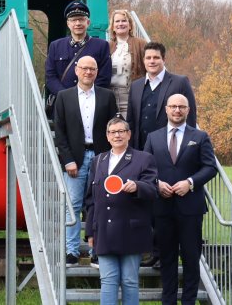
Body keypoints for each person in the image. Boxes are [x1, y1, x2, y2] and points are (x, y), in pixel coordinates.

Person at [144, 94, 217, 305]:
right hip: (162, 207)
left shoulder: (200, 137)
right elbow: (146, 169)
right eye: (173, 106)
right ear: (166, 109)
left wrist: (190, 183)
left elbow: (210, 167)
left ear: (188, 110)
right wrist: (157, 184)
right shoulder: (153, 137)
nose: (177, 110)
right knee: (166, 259)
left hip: (190, 208)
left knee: (191, 259)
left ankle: (188, 302)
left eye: (181, 107)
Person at [53, 55, 118, 265]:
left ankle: (96, 249)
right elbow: (60, 132)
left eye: (92, 69)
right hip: (75, 159)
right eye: (84, 68)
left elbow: (113, 129)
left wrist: (111, 159)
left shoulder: (108, 96)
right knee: (72, 204)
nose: (88, 72)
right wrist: (67, 159)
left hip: (101, 158)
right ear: (76, 70)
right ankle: (71, 251)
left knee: (100, 204)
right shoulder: (64, 96)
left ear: (97, 72)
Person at [84, 117, 157, 305]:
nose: (117, 135)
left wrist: (137, 186)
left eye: (121, 131)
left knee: (129, 281)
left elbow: (153, 189)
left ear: (129, 134)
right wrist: (90, 232)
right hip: (104, 231)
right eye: (113, 132)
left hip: (131, 230)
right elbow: (91, 200)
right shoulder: (98, 161)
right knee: (108, 280)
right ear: (107, 136)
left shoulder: (143, 158)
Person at [126, 41, 197, 151]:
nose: (152, 61)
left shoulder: (180, 82)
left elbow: (190, 118)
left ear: (163, 60)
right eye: (148, 58)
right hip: (140, 150)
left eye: (156, 57)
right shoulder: (135, 86)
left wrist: (188, 148)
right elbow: (130, 121)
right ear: (144, 60)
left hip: (169, 149)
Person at [45, 0, 112, 98]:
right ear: (68, 23)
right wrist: (66, 96)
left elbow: (104, 77)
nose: (78, 23)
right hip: (63, 103)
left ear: (88, 22)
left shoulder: (101, 46)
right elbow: (50, 77)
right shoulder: (55, 46)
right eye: (73, 20)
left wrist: (85, 95)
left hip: (91, 101)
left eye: (81, 19)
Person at [107, 9, 147, 117]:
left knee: (132, 128)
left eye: (124, 21)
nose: (120, 24)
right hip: (110, 96)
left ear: (130, 25)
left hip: (132, 95)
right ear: (113, 26)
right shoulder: (107, 46)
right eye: (117, 21)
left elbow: (150, 67)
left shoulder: (141, 44)